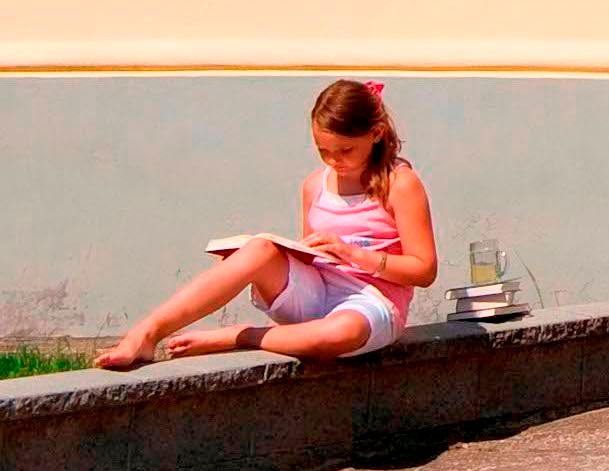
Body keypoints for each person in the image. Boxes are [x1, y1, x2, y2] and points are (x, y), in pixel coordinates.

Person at [95, 80, 435, 368]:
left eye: (345, 150)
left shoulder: (400, 184)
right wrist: (253, 263)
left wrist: (355, 255)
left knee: (340, 333)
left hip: (369, 303)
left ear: (375, 134)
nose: (334, 161)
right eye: (323, 151)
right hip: (318, 292)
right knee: (258, 248)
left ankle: (242, 336)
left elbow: (424, 270)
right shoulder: (315, 184)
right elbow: (310, 256)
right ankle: (146, 333)